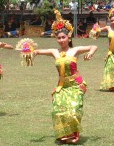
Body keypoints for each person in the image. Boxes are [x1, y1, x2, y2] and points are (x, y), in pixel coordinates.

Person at [33, 9, 98, 144]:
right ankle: (63, 134)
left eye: (63, 37)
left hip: (76, 85)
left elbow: (94, 46)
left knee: (74, 109)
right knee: (58, 110)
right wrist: (29, 51)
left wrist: (90, 53)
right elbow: (37, 51)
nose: (61, 40)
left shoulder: (75, 50)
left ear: (69, 37)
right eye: (59, 38)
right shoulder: (54, 52)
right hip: (62, 86)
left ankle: (74, 135)